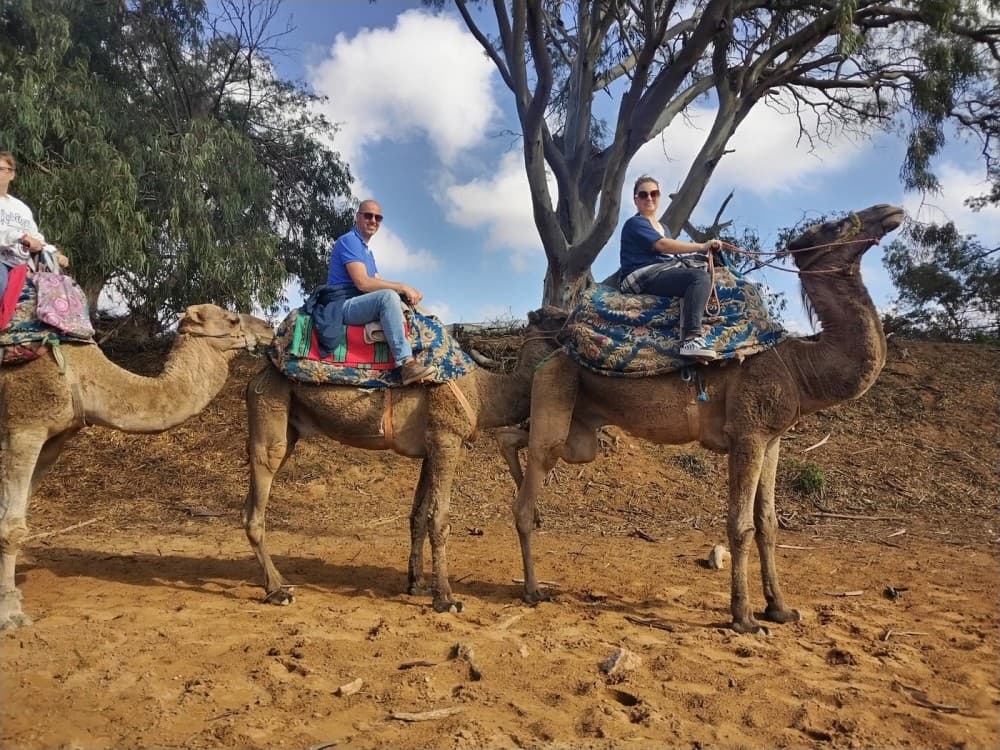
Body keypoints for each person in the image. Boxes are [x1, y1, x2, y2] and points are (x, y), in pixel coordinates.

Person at [316, 198, 435, 385]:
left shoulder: (368, 253)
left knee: (407, 305)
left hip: (358, 302)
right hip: (342, 305)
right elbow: (363, 283)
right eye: (368, 215)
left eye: (378, 218)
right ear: (358, 217)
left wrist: (406, 294)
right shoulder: (349, 241)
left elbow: (377, 282)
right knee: (388, 297)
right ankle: (406, 363)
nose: (373, 220)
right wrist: (403, 286)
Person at [618, 175, 721, 360]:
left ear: (659, 196)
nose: (649, 198)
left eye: (654, 193)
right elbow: (663, 246)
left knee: (704, 270)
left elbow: (670, 253)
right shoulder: (636, 223)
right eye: (643, 195)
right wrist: (701, 246)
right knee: (698, 278)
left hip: (662, 269)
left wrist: (708, 252)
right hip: (643, 274)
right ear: (636, 199)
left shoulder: (663, 227)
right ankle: (692, 338)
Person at [0, 150, 69, 299]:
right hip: (2, 262)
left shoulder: (21, 208)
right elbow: (21, 236)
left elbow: (36, 237)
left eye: (1, 169)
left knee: (55, 294)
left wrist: (54, 254)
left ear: (12, 174)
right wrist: (19, 237)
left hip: (23, 264)